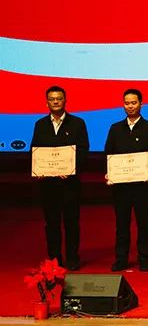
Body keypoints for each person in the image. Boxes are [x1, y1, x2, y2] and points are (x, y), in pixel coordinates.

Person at [104, 88, 148, 272]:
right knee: (121, 224)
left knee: (143, 224)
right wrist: (110, 172)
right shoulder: (115, 129)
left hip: (142, 186)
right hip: (121, 187)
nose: (130, 106)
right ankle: (121, 259)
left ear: (141, 104)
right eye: (127, 103)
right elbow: (109, 154)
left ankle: (144, 258)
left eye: (134, 103)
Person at [30, 85, 89, 270]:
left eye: (59, 98)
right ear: (47, 102)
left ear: (65, 101)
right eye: (52, 99)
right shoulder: (40, 124)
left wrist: (70, 168)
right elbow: (35, 150)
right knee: (51, 224)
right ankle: (54, 259)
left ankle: (72, 258)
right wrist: (38, 168)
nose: (55, 102)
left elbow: (83, 150)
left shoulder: (77, 123)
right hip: (47, 185)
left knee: (71, 223)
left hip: (70, 184)